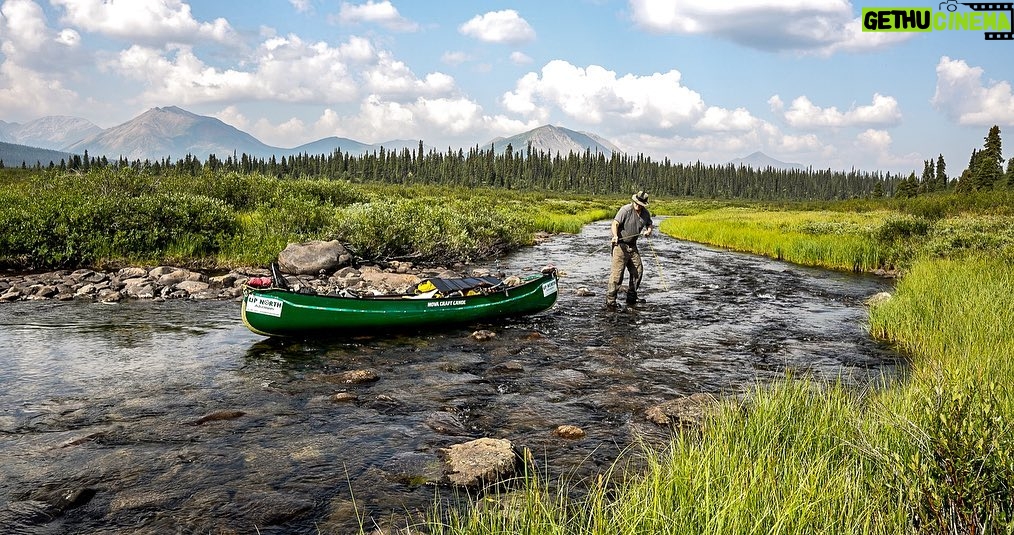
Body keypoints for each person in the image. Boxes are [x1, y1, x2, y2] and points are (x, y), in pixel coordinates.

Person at [606, 190, 653, 309]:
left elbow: (649, 224)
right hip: (620, 246)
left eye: (640, 204)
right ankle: (611, 301)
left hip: (633, 246)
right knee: (617, 275)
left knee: (638, 271)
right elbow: (615, 224)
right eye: (636, 202)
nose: (637, 205)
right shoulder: (625, 210)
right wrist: (615, 236)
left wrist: (648, 231)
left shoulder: (645, 214)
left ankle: (631, 297)